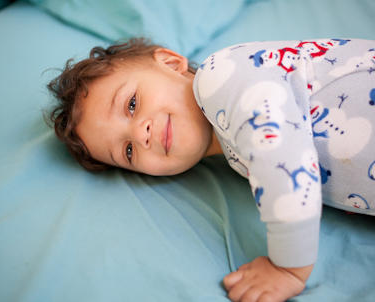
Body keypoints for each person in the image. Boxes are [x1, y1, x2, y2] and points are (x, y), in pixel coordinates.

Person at [46, 37, 375, 302]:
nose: (140, 133)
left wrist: (288, 269)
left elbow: (284, 160)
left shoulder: (223, 77)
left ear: (172, 64)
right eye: (128, 150)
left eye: (132, 105)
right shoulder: (234, 154)